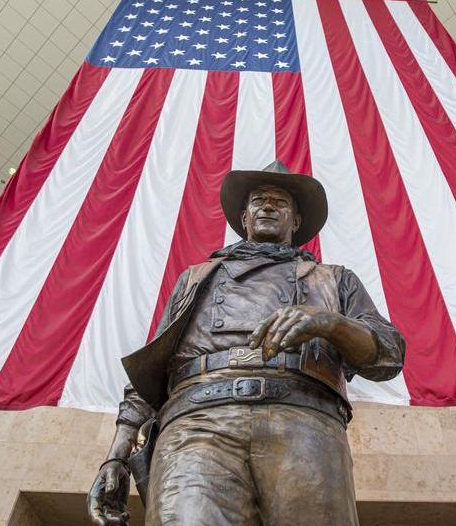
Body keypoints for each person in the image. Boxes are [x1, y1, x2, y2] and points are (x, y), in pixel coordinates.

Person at [88, 160, 405, 526]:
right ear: (245, 217)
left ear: (296, 222)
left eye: (279, 201)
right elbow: (152, 371)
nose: (268, 206)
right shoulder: (195, 278)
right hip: (197, 427)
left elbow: (389, 353)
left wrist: (330, 324)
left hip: (304, 422)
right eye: (259, 200)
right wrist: (116, 455)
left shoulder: (333, 280)